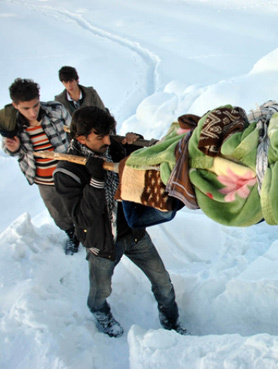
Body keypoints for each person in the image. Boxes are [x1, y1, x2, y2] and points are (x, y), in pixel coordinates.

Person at [53, 106, 186, 338]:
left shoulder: (112, 148)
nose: (107, 140)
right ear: (81, 138)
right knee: (100, 291)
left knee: (163, 282)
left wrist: (133, 144)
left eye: (108, 133)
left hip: (134, 234)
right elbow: (83, 218)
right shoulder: (66, 172)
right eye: (99, 136)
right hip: (102, 244)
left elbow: (133, 165)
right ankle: (100, 312)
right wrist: (96, 180)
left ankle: (171, 320)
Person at [1, 78, 79, 255]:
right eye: (26, 108)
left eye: (35, 106)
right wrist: (13, 148)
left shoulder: (55, 110)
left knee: (80, 203)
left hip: (68, 171)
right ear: (15, 105)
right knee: (58, 212)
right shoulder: (11, 123)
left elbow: (76, 130)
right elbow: (10, 149)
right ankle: (72, 235)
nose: (32, 112)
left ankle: (88, 234)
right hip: (43, 178)